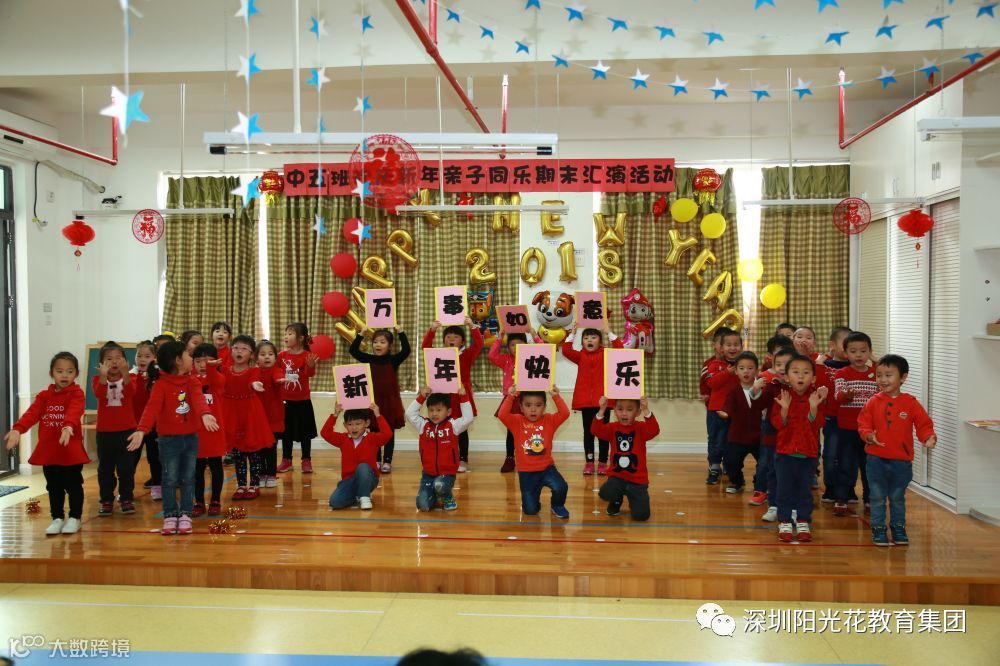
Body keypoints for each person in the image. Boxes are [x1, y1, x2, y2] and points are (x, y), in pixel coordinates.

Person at [127, 342, 219, 535]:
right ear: (178, 360)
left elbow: (198, 400)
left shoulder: (192, 381)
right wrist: (141, 430)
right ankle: (170, 515)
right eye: (187, 354)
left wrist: (205, 414)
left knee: (188, 478)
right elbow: (151, 409)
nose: (191, 358)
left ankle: (185, 513)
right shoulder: (161, 385)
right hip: (168, 440)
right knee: (169, 479)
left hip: (191, 438)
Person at [4, 352, 87, 536]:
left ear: (76, 373)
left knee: (73, 485)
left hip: (70, 452)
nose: (64, 375)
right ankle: (57, 518)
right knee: (53, 486)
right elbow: (31, 414)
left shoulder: (76, 393)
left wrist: (68, 426)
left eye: (70, 371)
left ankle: (75, 517)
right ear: (52, 373)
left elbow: (75, 411)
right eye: (60, 371)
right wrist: (18, 429)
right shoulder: (44, 396)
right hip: (50, 452)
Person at [858, 354, 936, 546]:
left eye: (888, 375)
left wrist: (928, 437)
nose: (883, 380)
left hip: (901, 461)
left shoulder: (910, 403)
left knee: (897, 497)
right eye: (879, 375)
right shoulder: (873, 401)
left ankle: (898, 528)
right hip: (875, 459)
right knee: (877, 496)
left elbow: (923, 424)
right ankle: (878, 528)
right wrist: (869, 435)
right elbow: (863, 423)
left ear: (903, 377)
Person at [770, 354, 828, 543]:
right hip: (784, 454)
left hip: (808, 454)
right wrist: (784, 410)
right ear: (787, 377)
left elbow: (818, 424)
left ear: (814, 377)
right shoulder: (782, 397)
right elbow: (777, 424)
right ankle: (785, 521)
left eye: (806, 372)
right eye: (795, 372)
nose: (801, 376)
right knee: (784, 490)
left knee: (804, 491)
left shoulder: (816, 398)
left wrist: (814, 408)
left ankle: (803, 521)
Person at [496, 385, 571, 518]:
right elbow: (502, 415)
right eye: (528, 405)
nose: (533, 409)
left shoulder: (550, 420)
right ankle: (533, 502)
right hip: (526, 473)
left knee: (561, 486)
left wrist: (556, 396)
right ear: (521, 407)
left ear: (545, 407)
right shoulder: (516, 421)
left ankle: (557, 505)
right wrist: (511, 396)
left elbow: (565, 413)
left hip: (547, 469)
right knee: (531, 510)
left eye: (538, 405)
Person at [421, 317, 483, 472]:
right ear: (443, 340)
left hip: (460, 396)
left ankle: (463, 459)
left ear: (462, 342)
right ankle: (445, 457)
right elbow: (425, 348)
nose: (451, 339)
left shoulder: (466, 354)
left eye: (456, 337)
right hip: (443, 396)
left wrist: (472, 327)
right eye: (448, 337)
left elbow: (479, 344)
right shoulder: (438, 354)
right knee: (443, 428)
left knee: (461, 429)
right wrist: (432, 330)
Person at [562, 325, 622, 475]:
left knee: (603, 433)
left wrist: (609, 332)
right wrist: (573, 333)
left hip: (603, 402)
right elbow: (566, 350)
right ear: (582, 342)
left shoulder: (606, 354)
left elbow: (620, 349)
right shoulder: (580, 356)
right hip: (586, 402)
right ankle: (589, 463)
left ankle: (602, 463)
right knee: (588, 432)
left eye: (594, 337)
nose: (589, 340)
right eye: (586, 338)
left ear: (600, 341)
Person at [350, 326, 410, 474]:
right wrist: (361, 334)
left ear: (389, 346)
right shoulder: (369, 359)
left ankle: (387, 461)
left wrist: (401, 332)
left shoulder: (393, 360)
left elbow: (406, 351)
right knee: (374, 431)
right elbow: (353, 351)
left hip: (390, 402)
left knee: (389, 432)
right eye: (375, 342)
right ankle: (376, 459)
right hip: (374, 402)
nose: (378, 345)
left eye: (382, 342)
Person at [220, 335, 274, 500]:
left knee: (253, 451)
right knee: (238, 453)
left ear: (251, 354)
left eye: (244, 349)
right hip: (231, 413)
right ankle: (241, 485)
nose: (239, 351)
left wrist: (255, 385)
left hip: (250, 413)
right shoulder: (225, 370)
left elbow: (253, 380)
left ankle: (254, 485)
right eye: (236, 348)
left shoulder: (253, 370)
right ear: (231, 351)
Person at [832, 331, 878, 516]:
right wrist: (846, 395)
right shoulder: (842, 373)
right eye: (853, 351)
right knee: (845, 464)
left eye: (863, 351)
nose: (858, 355)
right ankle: (841, 499)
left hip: (870, 430)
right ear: (845, 353)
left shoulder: (876, 374)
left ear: (870, 352)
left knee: (869, 466)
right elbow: (837, 396)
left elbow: (885, 391)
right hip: (848, 428)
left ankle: (870, 499)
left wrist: (876, 362)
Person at [406, 386, 474, 511]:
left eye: (439, 410)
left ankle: (448, 498)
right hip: (428, 475)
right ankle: (436, 495)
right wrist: (422, 397)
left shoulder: (453, 425)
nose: (434, 413)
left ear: (448, 412)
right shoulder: (423, 425)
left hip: (446, 475)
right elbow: (409, 414)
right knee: (423, 506)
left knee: (440, 484)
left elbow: (468, 418)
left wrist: (463, 397)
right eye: (431, 410)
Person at [591, 395, 659, 521]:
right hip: (617, 477)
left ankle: (634, 500)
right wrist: (602, 410)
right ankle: (616, 500)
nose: (624, 413)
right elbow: (596, 430)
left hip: (637, 480)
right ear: (614, 410)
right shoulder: (612, 427)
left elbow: (654, 430)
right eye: (620, 409)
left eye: (629, 409)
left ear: (637, 412)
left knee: (641, 516)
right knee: (605, 493)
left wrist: (646, 410)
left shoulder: (641, 428)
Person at [92, 341, 138, 517]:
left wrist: (125, 374)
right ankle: (106, 500)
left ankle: (126, 498)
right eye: (109, 359)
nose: (114, 362)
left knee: (126, 469)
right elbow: (99, 394)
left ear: (125, 361)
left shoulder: (131, 377)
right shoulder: (97, 379)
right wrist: (103, 377)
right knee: (105, 469)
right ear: (102, 363)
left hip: (127, 431)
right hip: (105, 432)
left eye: (118, 358)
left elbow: (131, 392)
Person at [488, 329, 541, 473]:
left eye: (519, 344)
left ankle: (531, 456)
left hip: (528, 399)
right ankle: (510, 458)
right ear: (508, 348)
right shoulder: (506, 359)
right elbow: (492, 355)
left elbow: (544, 351)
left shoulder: (531, 357)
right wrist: (500, 338)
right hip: (511, 399)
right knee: (511, 431)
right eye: (512, 345)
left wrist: (534, 336)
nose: (516, 347)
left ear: (526, 345)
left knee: (530, 429)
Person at [323, 402, 392, 510]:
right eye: (350, 424)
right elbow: (325, 433)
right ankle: (358, 496)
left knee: (363, 466)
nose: (354, 428)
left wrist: (378, 415)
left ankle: (364, 497)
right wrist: (335, 415)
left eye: (358, 424)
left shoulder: (372, 438)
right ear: (345, 425)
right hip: (348, 481)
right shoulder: (342, 439)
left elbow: (387, 434)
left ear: (367, 423)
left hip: (369, 478)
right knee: (335, 502)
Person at [718, 351, 767, 495]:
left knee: (764, 462)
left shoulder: (763, 389)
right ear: (736, 371)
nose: (746, 371)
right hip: (737, 435)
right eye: (742, 368)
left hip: (759, 436)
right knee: (731, 461)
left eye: (750, 368)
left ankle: (760, 483)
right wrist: (725, 413)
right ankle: (737, 482)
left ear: (757, 371)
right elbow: (728, 405)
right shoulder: (733, 390)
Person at [756, 347, 795, 517]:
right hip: (772, 433)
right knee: (773, 470)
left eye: (786, 364)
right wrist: (756, 390)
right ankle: (773, 505)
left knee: (792, 472)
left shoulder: (802, 387)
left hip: (793, 436)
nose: (781, 368)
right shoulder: (771, 385)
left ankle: (792, 507)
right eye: (778, 364)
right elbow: (758, 405)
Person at [277, 323, 319, 474]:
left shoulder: (308, 356)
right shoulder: (281, 356)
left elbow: (309, 374)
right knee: (286, 432)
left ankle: (306, 460)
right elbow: (276, 372)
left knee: (305, 432)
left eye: (290, 334)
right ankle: (286, 460)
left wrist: (311, 366)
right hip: (285, 401)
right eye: (286, 333)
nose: (286, 336)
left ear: (301, 338)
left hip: (303, 401)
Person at [191, 344, 227, 517]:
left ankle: (215, 500)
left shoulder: (218, 378)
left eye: (207, 361)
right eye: (198, 361)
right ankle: (198, 501)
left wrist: (212, 368)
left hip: (214, 429)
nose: (202, 365)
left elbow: (216, 380)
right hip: (196, 430)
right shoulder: (190, 379)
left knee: (215, 465)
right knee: (197, 468)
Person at [703, 327, 742, 485]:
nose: (732, 348)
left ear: (741, 346)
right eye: (728, 345)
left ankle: (730, 467)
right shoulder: (715, 364)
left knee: (732, 441)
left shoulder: (742, 365)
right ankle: (714, 466)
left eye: (736, 344)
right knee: (716, 440)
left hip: (735, 411)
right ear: (721, 348)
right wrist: (728, 372)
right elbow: (711, 383)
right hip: (716, 410)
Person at [819, 327, 852, 500]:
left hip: (853, 420)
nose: (849, 349)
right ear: (832, 345)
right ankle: (830, 488)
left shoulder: (855, 367)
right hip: (832, 418)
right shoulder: (825, 367)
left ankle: (849, 489)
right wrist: (819, 363)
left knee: (850, 456)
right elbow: (817, 383)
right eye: (845, 344)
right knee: (830, 454)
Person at [131, 341, 161, 495]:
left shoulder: (158, 377)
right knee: (131, 459)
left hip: (154, 426)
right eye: (139, 355)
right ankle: (126, 490)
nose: (142, 359)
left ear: (154, 358)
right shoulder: (130, 376)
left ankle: (157, 486)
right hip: (134, 426)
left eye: (147, 356)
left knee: (155, 458)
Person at [255, 340, 285, 488]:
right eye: (262, 354)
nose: (267, 357)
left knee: (271, 447)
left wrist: (280, 381)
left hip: (274, 417)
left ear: (275, 357)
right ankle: (261, 473)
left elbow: (277, 377)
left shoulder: (277, 371)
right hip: (258, 418)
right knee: (260, 448)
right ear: (256, 358)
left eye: (270, 354)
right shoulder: (254, 372)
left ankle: (272, 474)